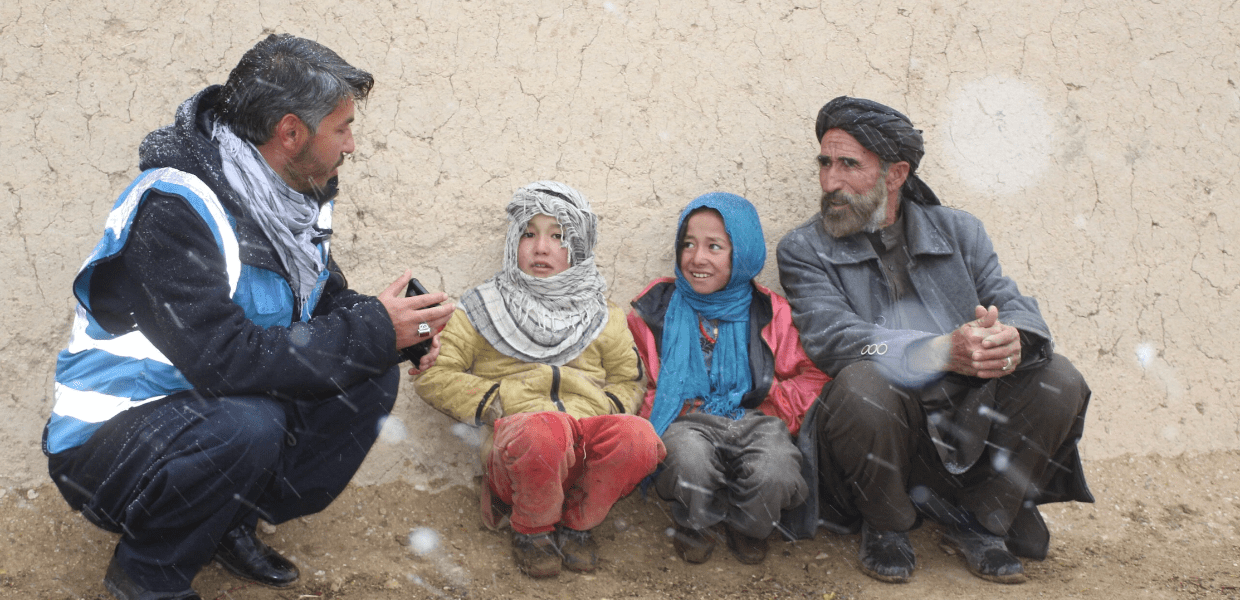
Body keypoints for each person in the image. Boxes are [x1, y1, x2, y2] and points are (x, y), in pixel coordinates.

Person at [44, 34, 455, 600]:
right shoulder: (175, 208)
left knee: (368, 371)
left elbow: (321, 305)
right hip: (107, 445)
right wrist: (373, 330)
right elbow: (224, 359)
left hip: (202, 416)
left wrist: (398, 332)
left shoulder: (283, 198)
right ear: (290, 132)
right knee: (248, 423)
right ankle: (148, 573)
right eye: (342, 127)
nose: (352, 145)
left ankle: (221, 522)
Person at [776, 96, 1093, 585]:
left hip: (969, 426)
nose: (830, 181)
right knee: (861, 383)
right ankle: (885, 524)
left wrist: (1012, 340)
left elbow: (1016, 307)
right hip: (880, 435)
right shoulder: (804, 249)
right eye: (824, 163)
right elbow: (834, 339)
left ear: (896, 174)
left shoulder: (960, 231)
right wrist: (940, 350)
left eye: (848, 165)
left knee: (1058, 377)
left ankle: (984, 522)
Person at [414, 182, 665, 579]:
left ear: (579, 248)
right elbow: (434, 376)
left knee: (640, 438)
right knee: (543, 432)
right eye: (529, 234)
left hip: (585, 436)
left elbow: (629, 379)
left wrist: (607, 408)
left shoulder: (602, 315)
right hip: (521, 445)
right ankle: (531, 529)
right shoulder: (482, 308)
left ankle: (577, 525)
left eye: (558, 237)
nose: (541, 248)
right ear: (514, 239)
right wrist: (495, 402)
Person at [627, 192, 830, 565]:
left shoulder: (771, 312)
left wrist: (773, 402)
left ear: (744, 253)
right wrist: (670, 405)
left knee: (777, 472)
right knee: (687, 461)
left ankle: (748, 526)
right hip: (686, 418)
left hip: (758, 419)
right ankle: (696, 522)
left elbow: (813, 375)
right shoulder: (657, 307)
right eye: (688, 244)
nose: (697, 258)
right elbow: (634, 377)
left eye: (714, 246)